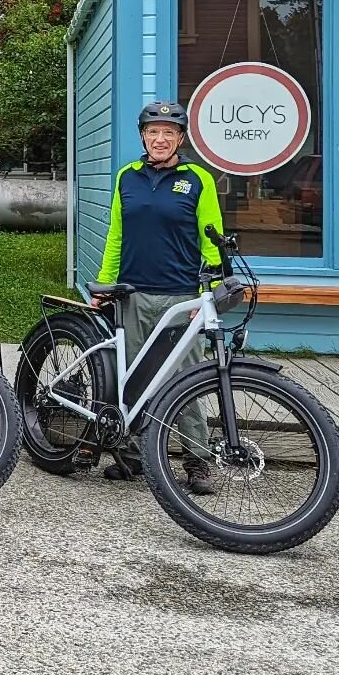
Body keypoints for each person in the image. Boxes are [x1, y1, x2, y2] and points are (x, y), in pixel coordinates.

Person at [92, 100, 219, 494]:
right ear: (143, 137)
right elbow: (116, 236)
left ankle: (197, 460)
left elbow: (211, 240)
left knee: (186, 380)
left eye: (168, 133)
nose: (160, 139)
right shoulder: (126, 177)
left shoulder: (198, 178)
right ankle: (129, 455)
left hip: (182, 296)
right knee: (133, 377)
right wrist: (103, 284)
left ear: (180, 138)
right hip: (132, 294)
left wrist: (208, 292)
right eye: (153, 132)